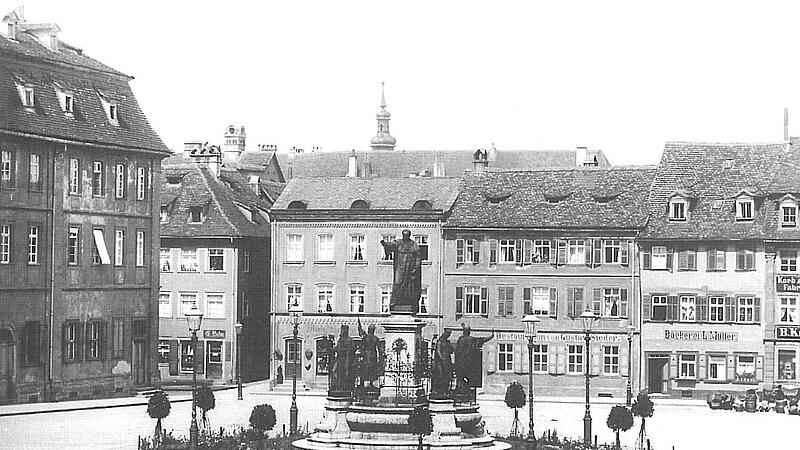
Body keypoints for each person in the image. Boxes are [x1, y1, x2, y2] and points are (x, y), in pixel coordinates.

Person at [380, 230, 422, 313]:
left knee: (409, 286)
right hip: (400, 267)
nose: (405, 237)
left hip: (409, 268)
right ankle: (396, 302)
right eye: (404, 235)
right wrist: (385, 244)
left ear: (409, 236)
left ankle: (408, 303)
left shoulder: (414, 245)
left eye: (406, 236)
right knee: (397, 283)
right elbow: (391, 246)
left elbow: (418, 257)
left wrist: (416, 267)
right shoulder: (398, 242)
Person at [455, 324, 494, 391]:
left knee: (460, 378)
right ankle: (467, 390)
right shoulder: (472, 339)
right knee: (468, 378)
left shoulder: (460, 339)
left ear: (463, 331)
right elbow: (483, 340)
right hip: (469, 362)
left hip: (461, 362)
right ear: (469, 332)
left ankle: (460, 389)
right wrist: (491, 336)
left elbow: (456, 351)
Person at [357, 320, 384, 388]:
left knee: (365, 368)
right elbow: (380, 348)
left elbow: (361, 346)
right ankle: (371, 382)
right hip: (373, 355)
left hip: (366, 354)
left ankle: (364, 382)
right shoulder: (376, 338)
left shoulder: (365, 338)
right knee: (373, 368)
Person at [331, 325, 356, 394]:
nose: (342, 331)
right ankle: (338, 386)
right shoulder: (340, 339)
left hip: (346, 360)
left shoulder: (349, 340)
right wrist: (332, 349)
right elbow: (337, 347)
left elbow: (352, 349)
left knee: (345, 374)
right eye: (342, 330)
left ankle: (345, 387)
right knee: (335, 372)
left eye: (343, 330)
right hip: (339, 359)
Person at [432, 329, 454, 395]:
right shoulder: (440, 341)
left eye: (449, 335)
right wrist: (442, 358)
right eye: (447, 334)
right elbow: (438, 351)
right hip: (441, 362)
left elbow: (451, 351)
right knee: (440, 375)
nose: (448, 336)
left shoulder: (448, 342)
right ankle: (439, 390)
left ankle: (446, 390)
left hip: (447, 361)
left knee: (447, 375)